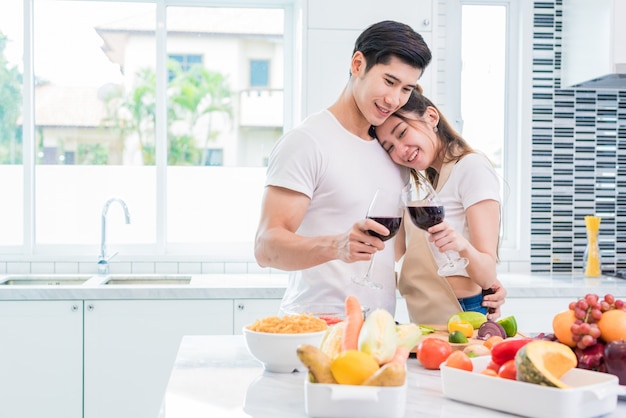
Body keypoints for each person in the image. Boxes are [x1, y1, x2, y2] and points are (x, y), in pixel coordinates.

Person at [254, 20, 432, 317]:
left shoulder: (392, 152)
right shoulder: (307, 142)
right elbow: (265, 247)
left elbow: (395, 252)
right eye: (389, 81)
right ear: (358, 64)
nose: (394, 99)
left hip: (377, 329)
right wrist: (336, 246)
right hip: (314, 325)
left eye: (406, 89)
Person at [373, 86, 506, 323]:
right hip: (424, 316)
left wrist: (461, 245)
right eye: (390, 147)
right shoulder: (423, 185)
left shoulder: (471, 167)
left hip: (461, 313)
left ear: (431, 117)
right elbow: (403, 262)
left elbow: (487, 275)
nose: (401, 150)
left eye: (402, 132)